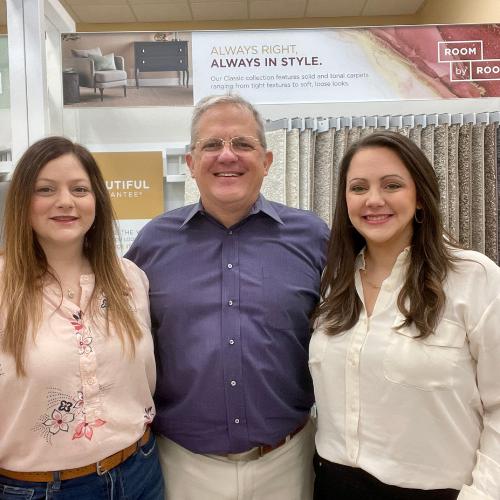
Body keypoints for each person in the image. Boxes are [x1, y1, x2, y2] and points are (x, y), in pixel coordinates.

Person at [126, 94, 330, 500]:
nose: (227, 156)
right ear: (190, 163)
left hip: (287, 461)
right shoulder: (152, 243)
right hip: (182, 465)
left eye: (242, 143)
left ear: (267, 160)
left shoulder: (313, 237)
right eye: (211, 145)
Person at [310, 131, 500, 500]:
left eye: (392, 185)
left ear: (420, 198)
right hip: (335, 485)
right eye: (358, 187)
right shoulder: (333, 281)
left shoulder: (473, 278)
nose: (374, 200)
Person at [0, 137, 164, 500]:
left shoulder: (130, 280)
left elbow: (145, 381)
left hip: (139, 472)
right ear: (22, 201)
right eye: (45, 189)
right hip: (36, 489)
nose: (65, 201)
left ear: (97, 202)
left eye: (79, 189)